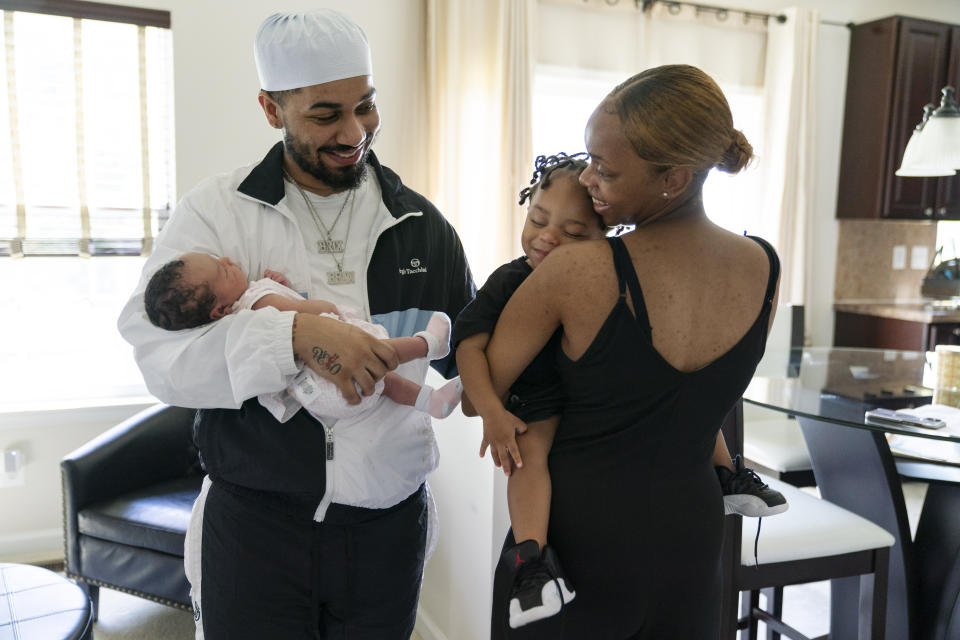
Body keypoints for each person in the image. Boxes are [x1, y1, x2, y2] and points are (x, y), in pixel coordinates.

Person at [117, 9, 474, 639]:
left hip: (388, 529)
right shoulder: (218, 213)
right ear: (270, 108)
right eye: (326, 114)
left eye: (365, 105)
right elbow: (159, 356)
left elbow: (469, 353)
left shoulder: (422, 225)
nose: (355, 130)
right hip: (256, 530)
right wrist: (292, 334)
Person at [481, 64, 782, 638]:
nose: (588, 179)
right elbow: (700, 402)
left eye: (605, 169)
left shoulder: (578, 269)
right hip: (691, 545)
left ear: (672, 179)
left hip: (570, 549)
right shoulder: (763, 264)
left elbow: (484, 397)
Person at [143, 252, 463, 421]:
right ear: (218, 310)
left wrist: (279, 284)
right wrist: (321, 306)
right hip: (332, 370)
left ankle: (430, 401)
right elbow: (302, 312)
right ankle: (429, 344)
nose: (227, 260)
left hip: (319, 397)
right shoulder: (257, 301)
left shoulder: (244, 313)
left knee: (386, 384)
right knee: (378, 352)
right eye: (222, 270)